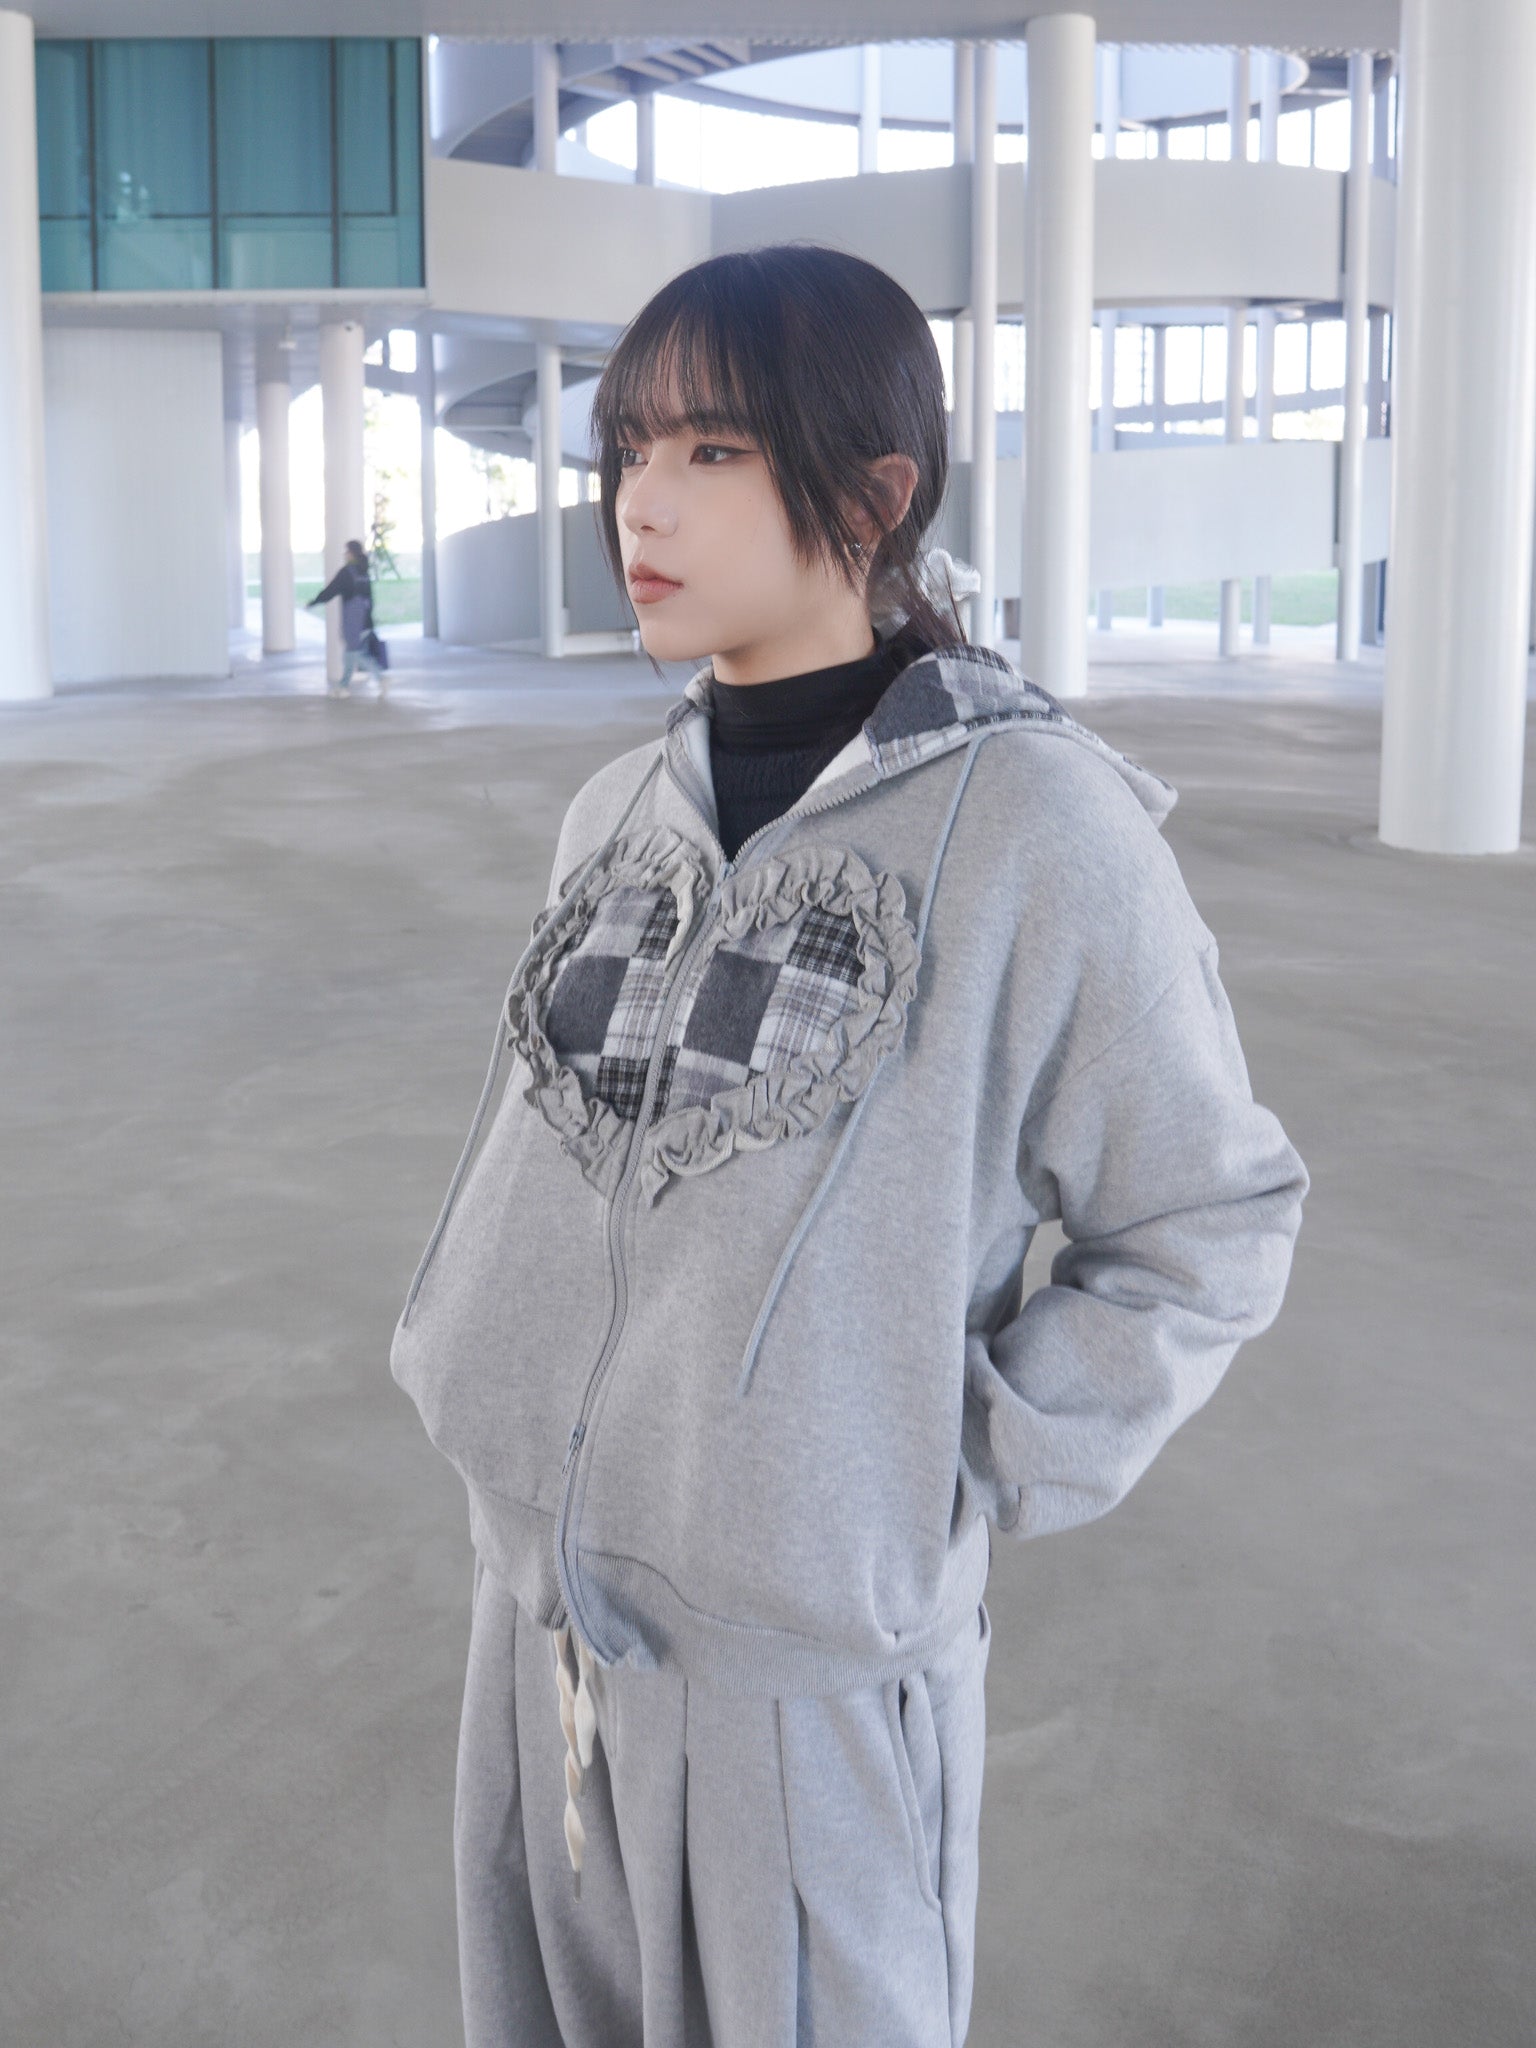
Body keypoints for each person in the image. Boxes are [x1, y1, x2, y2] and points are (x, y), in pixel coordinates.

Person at [389, 245, 1310, 2048]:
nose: (641, 501)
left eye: (713, 451)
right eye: (629, 446)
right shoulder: (613, 812)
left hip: (800, 1689)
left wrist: (937, 1463)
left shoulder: (1037, 827)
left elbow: (1208, 1214)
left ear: (874, 496)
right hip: (531, 1626)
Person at [306, 538, 387, 698]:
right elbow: (370, 597)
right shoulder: (364, 571)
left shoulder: (347, 572)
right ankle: (343, 687)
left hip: (353, 621)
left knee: (354, 653)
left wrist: (314, 602)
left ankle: (380, 678)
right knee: (350, 653)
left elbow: (330, 590)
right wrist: (370, 620)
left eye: (346, 551)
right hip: (364, 619)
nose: (345, 554)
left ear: (351, 553)